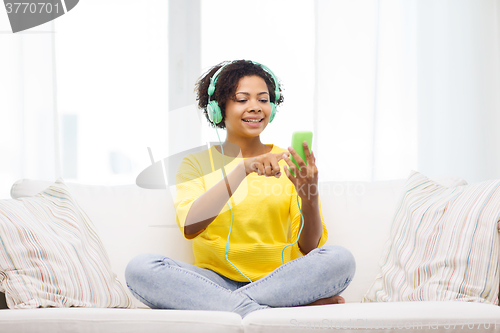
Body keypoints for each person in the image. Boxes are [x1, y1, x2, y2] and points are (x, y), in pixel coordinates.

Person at [125, 60, 355, 318]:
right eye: (242, 99)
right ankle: (272, 309)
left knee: (340, 259)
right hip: (213, 283)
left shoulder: (288, 161)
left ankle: (237, 306)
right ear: (217, 108)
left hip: (280, 282)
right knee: (141, 268)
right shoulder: (196, 164)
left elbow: (309, 249)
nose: (255, 107)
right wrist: (241, 170)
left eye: (263, 99)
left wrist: (309, 194)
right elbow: (191, 226)